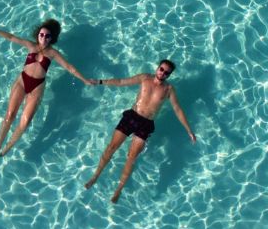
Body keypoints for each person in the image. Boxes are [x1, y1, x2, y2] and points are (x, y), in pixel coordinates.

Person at [84, 61, 196, 202]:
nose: (162, 73)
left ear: (169, 75)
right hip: (131, 117)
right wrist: (100, 81)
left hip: (146, 124)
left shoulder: (169, 89)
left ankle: (118, 190)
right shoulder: (144, 78)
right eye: (161, 69)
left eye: (166, 72)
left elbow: (178, 109)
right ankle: (95, 176)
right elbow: (121, 81)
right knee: (112, 147)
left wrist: (189, 130)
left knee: (131, 157)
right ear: (157, 68)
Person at [0, 19, 92, 160]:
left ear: (52, 38)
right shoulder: (31, 46)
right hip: (22, 82)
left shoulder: (53, 53)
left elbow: (69, 67)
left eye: (47, 36)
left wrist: (85, 80)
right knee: (10, 115)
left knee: (25, 121)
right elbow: (11, 37)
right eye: (41, 35)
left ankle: (7, 148)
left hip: (37, 86)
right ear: (37, 35)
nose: (44, 38)